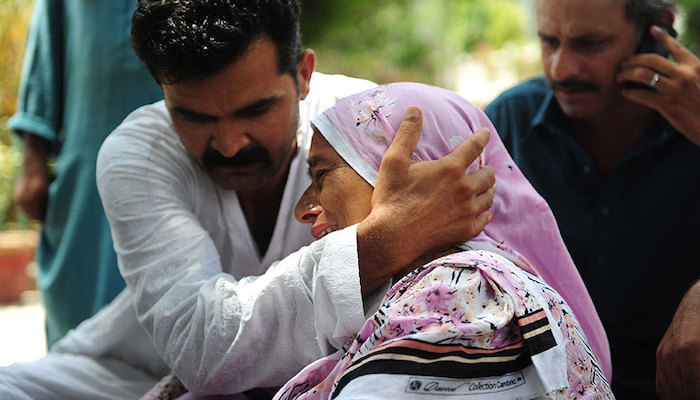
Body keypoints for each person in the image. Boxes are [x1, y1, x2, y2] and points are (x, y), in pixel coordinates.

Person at [0, 1, 496, 399]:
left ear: (303, 75)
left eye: (256, 109)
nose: (230, 143)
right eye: (194, 117)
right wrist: (381, 243)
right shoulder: (139, 152)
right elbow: (200, 349)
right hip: (129, 375)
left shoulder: (370, 125)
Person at [147, 82, 613, 400]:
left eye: (322, 174)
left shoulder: (459, 296)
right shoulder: (434, 291)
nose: (304, 208)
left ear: (416, 174)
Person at [484, 0, 700, 399]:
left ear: (657, 32)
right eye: (549, 41)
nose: (562, 69)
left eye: (590, 44)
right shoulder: (509, 122)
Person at [9, 0, 162, 345]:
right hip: (86, 167)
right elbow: (47, 38)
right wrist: (34, 156)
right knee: (78, 327)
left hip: (181, 154)